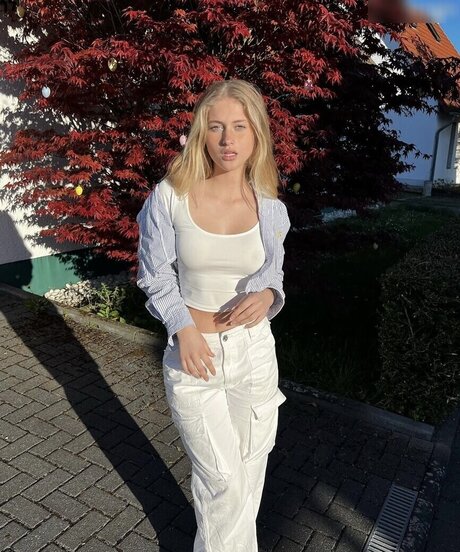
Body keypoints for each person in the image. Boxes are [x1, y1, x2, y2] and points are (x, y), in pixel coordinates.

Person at [136, 79, 291, 551]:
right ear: (201, 132)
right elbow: (154, 275)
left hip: (254, 352)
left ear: (256, 134)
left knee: (249, 473)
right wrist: (182, 328)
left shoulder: (270, 207)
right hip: (195, 357)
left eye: (239, 127)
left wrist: (268, 295)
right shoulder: (170, 197)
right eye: (216, 127)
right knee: (224, 481)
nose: (228, 140)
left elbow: (274, 276)